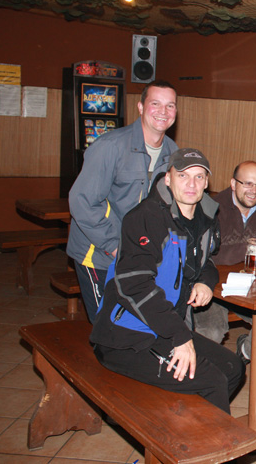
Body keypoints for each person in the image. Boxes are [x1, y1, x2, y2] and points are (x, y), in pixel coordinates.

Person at [90, 148, 243, 413]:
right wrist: (179, 337)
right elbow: (135, 285)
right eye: (183, 175)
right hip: (127, 334)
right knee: (213, 381)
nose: (191, 184)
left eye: (199, 177)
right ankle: (197, 438)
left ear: (206, 182)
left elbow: (205, 261)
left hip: (165, 326)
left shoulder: (206, 218)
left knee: (233, 368)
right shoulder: (146, 217)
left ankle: (188, 425)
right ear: (168, 178)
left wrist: (205, 281)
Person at [68, 80, 179, 320]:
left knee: (134, 325)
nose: (163, 111)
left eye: (170, 105)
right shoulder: (110, 146)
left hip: (140, 256)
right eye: (155, 103)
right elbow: (81, 201)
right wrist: (114, 246)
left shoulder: (173, 152)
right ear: (140, 107)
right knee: (107, 326)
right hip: (99, 253)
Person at [193, 161, 256, 363]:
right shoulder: (211, 207)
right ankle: (198, 373)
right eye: (247, 183)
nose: (254, 191)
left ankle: (243, 355)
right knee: (212, 330)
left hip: (250, 286)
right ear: (233, 183)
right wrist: (247, 247)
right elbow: (208, 253)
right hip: (212, 286)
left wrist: (254, 247)